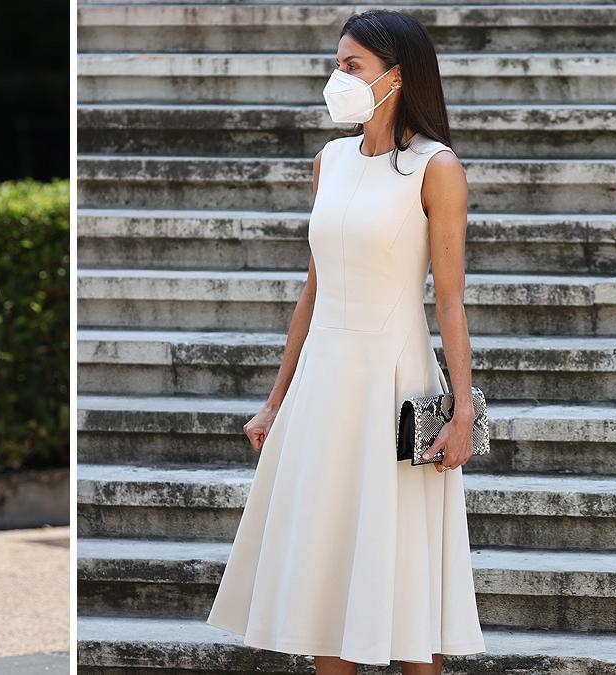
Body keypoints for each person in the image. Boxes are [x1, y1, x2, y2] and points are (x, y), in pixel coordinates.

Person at [205, 9, 486, 675]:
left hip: (395, 384)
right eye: (337, 63)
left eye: (351, 66)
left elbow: (450, 297)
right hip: (325, 385)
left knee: (410, 579)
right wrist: (276, 402)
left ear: (396, 76)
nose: (338, 77)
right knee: (328, 574)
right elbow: (312, 290)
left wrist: (466, 409)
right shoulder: (328, 160)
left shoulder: (435, 167)